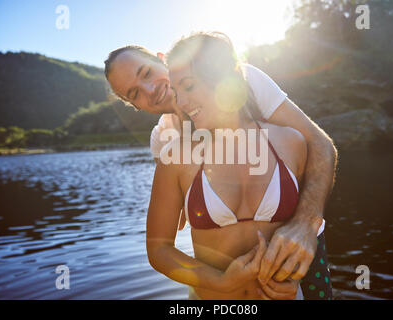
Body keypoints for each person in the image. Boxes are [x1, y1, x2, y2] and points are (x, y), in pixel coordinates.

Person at [104, 33, 337, 299]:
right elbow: (169, 235)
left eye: (146, 73)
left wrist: (306, 223)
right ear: (133, 105)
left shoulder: (246, 81)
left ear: (162, 60)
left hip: (300, 248)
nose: (149, 90)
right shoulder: (165, 143)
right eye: (134, 94)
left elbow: (320, 145)